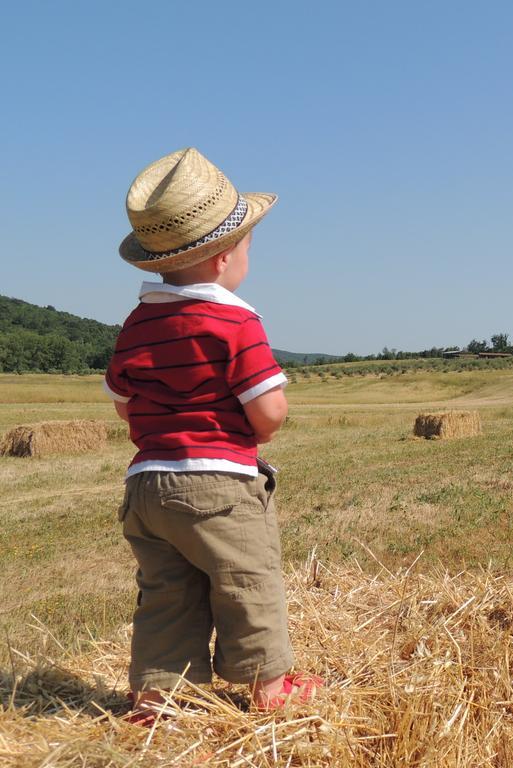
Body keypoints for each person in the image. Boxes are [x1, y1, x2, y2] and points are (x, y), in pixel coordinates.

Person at [104, 147, 320, 723]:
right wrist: (258, 429)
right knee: (249, 582)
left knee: (166, 595)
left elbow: (125, 407)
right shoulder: (235, 321)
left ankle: (156, 698)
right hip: (217, 487)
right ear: (225, 257)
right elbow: (269, 412)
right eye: (249, 245)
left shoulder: (136, 324)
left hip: (147, 488)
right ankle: (271, 687)